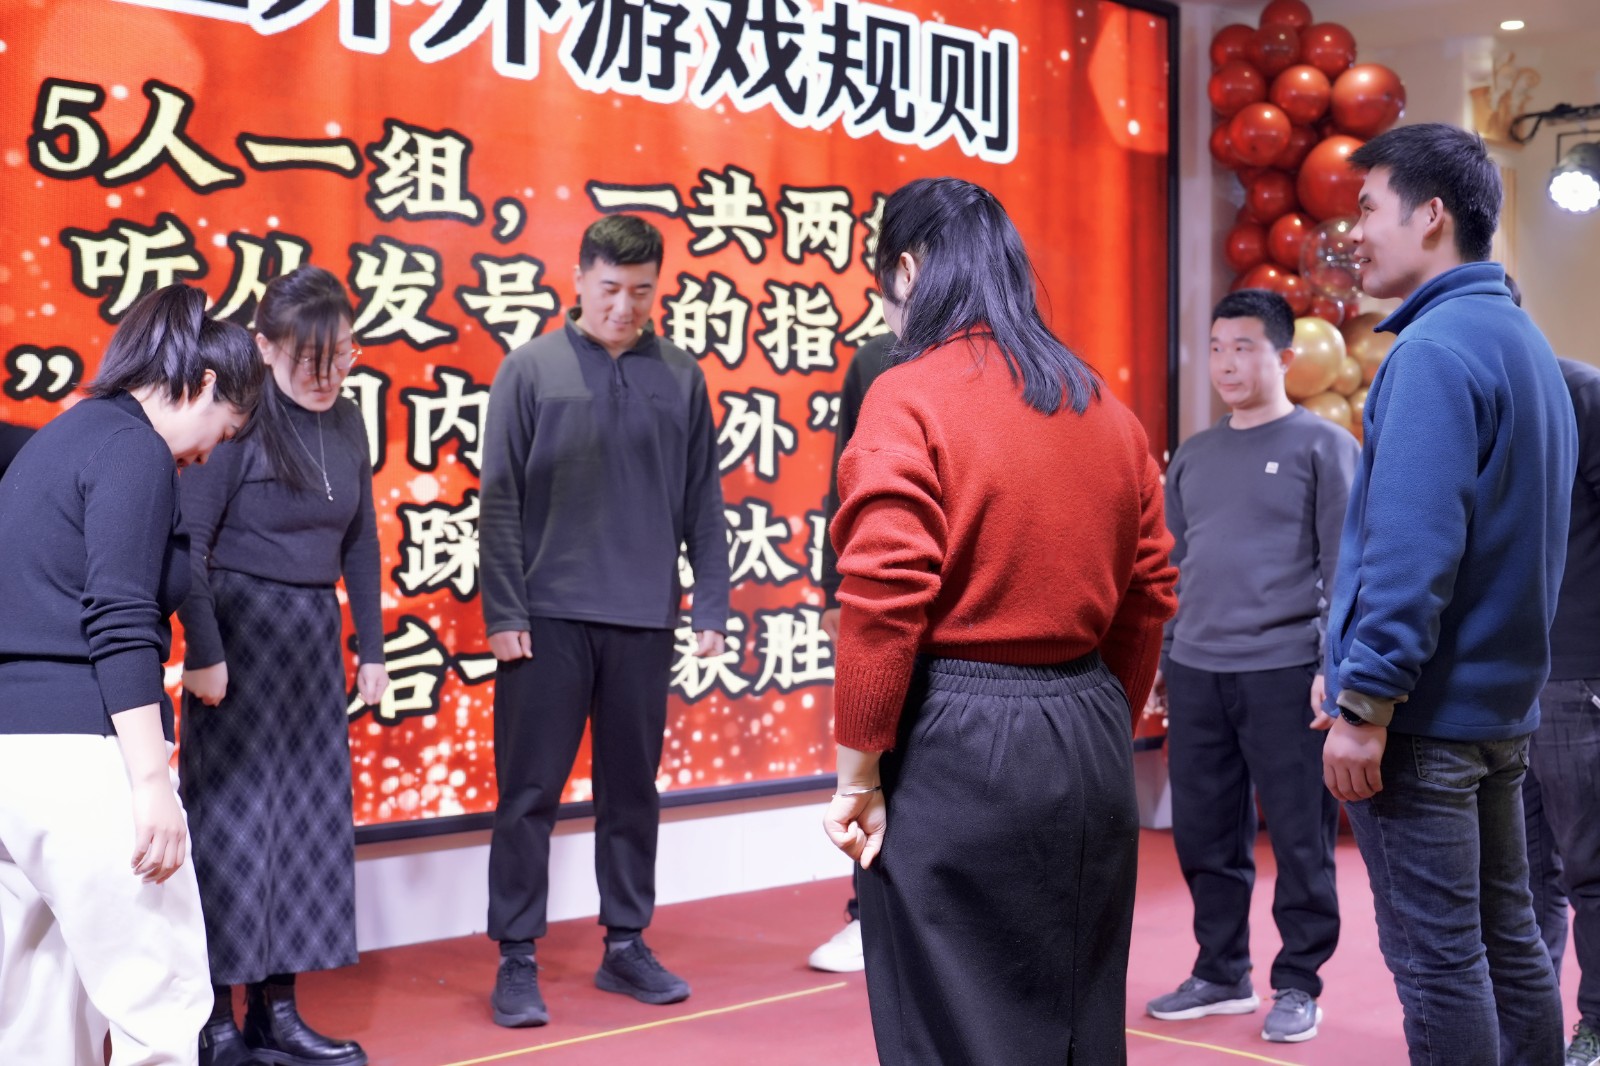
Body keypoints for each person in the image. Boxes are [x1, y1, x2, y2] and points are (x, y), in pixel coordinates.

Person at [822, 177, 1178, 1064]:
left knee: (954, 1027)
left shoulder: (907, 395)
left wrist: (858, 773)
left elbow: (883, 595)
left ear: (907, 271)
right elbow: (1150, 590)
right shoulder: (1102, 405)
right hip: (1089, 732)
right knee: (1077, 1020)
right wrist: (1103, 714)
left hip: (956, 742)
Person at [1322, 123, 1575, 1065]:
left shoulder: (1433, 351)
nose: (1357, 234)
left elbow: (1412, 552)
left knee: (1438, 963)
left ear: (1431, 215)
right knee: (1510, 940)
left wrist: (1365, 702)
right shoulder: (1522, 339)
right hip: (1497, 712)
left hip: (1424, 723)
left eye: (1368, 209)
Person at [479, 214, 730, 1027]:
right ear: (580, 280)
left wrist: (712, 601)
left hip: (643, 618)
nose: (625, 306)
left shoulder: (681, 376)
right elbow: (499, 500)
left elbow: (702, 498)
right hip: (544, 619)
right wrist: (504, 609)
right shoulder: (529, 369)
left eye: (642, 291)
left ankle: (626, 943)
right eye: (611, 288)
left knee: (632, 793)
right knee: (528, 795)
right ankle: (517, 957)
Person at [0, 283, 260, 1066]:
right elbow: (119, 618)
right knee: (162, 1006)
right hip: (84, 760)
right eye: (225, 429)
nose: (208, 454)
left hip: (14, 764)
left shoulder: (60, 438)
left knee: (39, 1014)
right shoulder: (132, 449)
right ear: (204, 385)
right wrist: (150, 783)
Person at [177, 266, 388, 1066]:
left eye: (342, 356)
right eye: (310, 358)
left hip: (310, 640)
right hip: (237, 635)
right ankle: (215, 1020)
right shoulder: (238, 418)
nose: (328, 374)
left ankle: (279, 1012)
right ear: (264, 348)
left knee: (305, 824)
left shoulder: (350, 421)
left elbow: (360, 541)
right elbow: (190, 548)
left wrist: (372, 649)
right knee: (231, 828)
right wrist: (204, 652)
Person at [1146, 289, 1356, 1043]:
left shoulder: (1323, 446)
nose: (1226, 363)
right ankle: (1220, 972)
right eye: (1215, 348)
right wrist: (1165, 655)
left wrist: (1335, 667)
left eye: (1243, 347)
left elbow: (1346, 568)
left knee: (1300, 837)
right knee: (1205, 833)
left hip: (1286, 669)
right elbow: (1174, 566)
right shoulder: (1194, 456)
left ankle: (1299, 982)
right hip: (1198, 669)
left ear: (1284, 357)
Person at [808, 330, 895, 975]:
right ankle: (871, 917)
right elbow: (846, 479)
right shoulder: (876, 359)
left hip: (974, 599)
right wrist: (833, 584)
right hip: (886, 585)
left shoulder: (1012, 356)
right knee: (876, 755)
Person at [1523, 351, 1600, 1066]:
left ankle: (1597, 1024)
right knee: (1517, 877)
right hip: (1494, 680)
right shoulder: (1469, 402)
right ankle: (1529, 1025)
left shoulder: (1581, 393)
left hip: (1574, 674)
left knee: (1589, 869)